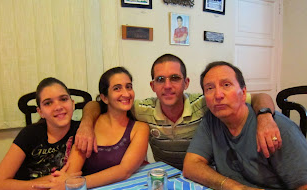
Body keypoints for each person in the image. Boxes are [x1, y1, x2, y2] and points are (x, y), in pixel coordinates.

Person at [76, 54, 281, 170]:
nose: (167, 86)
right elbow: (96, 104)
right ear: (152, 86)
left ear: (186, 83)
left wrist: (265, 117)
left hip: (206, 176)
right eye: (160, 80)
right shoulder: (141, 109)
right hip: (166, 178)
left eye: (174, 78)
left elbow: (259, 96)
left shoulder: (206, 102)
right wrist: (86, 125)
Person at [183, 61, 307, 190]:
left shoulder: (278, 129)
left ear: (244, 93)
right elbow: (191, 165)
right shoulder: (212, 121)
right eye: (209, 88)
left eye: (226, 85)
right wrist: (239, 189)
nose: (218, 94)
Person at [32, 67, 149, 190]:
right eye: (117, 88)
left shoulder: (140, 128)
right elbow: (71, 172)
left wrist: (76, 183)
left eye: (129, 86)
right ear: (104, 98)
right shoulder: (89, 126)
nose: (126, 93)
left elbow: (124, 171)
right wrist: (69, 182)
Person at [0, 77, 80, 190]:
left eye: (63, 99)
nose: (58, 107)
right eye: (48, 103)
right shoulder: (29, 134)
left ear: (72, 103)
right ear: (40, 112)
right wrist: (53, 182)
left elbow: (71, 178)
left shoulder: (82, 131)